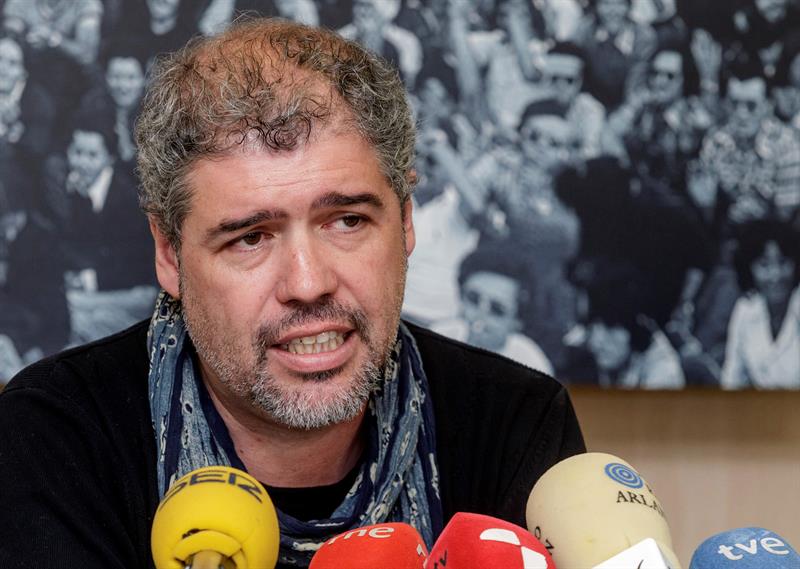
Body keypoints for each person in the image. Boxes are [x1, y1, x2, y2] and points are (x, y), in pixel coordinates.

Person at [0, 18, 585, 568]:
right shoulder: (56, 435)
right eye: (251, 237)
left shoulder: (517, 424)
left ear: (406, 221)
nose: (308, 284)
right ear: (169, 253)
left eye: (347, 221)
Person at [432, 245, 554, 374]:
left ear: (517, 322)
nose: (480, 314)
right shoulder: (440, 336)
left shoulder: (532, 367)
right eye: (473, 299)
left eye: (497, 310)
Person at [721, 221, 800, 389]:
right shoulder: (745, 309)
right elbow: (732, 379)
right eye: (764, 265)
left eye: (783, 262)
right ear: (749, 268)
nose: (775, 275)